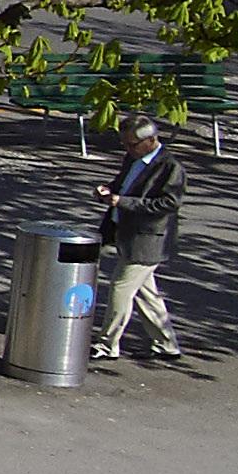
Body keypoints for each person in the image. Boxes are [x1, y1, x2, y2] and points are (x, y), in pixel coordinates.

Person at [89, 115, 184, 364]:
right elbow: (122, 185)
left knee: (121, 288)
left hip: (148, 239)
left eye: (132, 144)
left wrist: (123, 202)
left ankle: (107, 344)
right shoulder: (133, 159)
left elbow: (168, 204)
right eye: (125, 144)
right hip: (126, 233)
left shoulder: (170, 167)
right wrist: (107, 191)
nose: (128, 149)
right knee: (146, 293)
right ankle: (166, 344)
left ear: (151, 140)